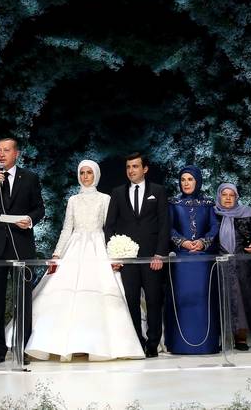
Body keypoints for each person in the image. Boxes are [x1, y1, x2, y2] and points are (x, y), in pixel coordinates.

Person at [25, 160, 144, 361]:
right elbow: (66, 229)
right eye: (82, 172)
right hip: (74, 248)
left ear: (96, 175)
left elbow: (110, 227)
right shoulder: (73, 200)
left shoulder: (105, 199)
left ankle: (97, 344)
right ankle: (65, 343)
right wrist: (57, 254)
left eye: (89, 172)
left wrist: (113, 254)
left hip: (98, 248)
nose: (85, 176)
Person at [0, 138, 45, 365]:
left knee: (22, 300)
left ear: (16, 154)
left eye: (6, 150)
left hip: (20, 245)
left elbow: (39, 208)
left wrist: (29, 220)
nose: (1, 154)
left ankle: (22, 347)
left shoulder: (30, 178)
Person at [103, 152, 169, 358]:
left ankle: (153, 343)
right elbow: (110, 226)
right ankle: (137, 342)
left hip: (152, 258)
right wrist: (114, 256)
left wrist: (160, 254)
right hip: (127, 259)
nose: (131, 170)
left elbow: (164, 224)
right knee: (130, 300)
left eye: (135, 166)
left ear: (145, 168)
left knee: (153, 301)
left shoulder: (158, 191)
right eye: (128, 167)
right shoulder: (117, 192)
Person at [163, 166, 220, 354]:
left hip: (204, 262)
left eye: (190, 179)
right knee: (182, 300)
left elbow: (214, 226)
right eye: (183, 180)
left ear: (198, 181)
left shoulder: (208, 203)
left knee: (203, 301)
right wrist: (184, 242)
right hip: (181, 261)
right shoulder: (173, 203)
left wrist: (203, 243)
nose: (186, 183)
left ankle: (206, 344)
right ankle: (179, 344)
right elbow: (169, 229)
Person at [213, 183, 251, 351]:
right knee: (221, 299)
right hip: (219, 264)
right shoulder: (213, 215)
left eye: (231, 195)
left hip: (244, 266)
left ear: (236, 197)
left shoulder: (246, 213)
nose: (227, 198)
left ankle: (241, 337)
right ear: (219, 196)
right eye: (224, 195)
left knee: (240, 300)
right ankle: (223, 337)